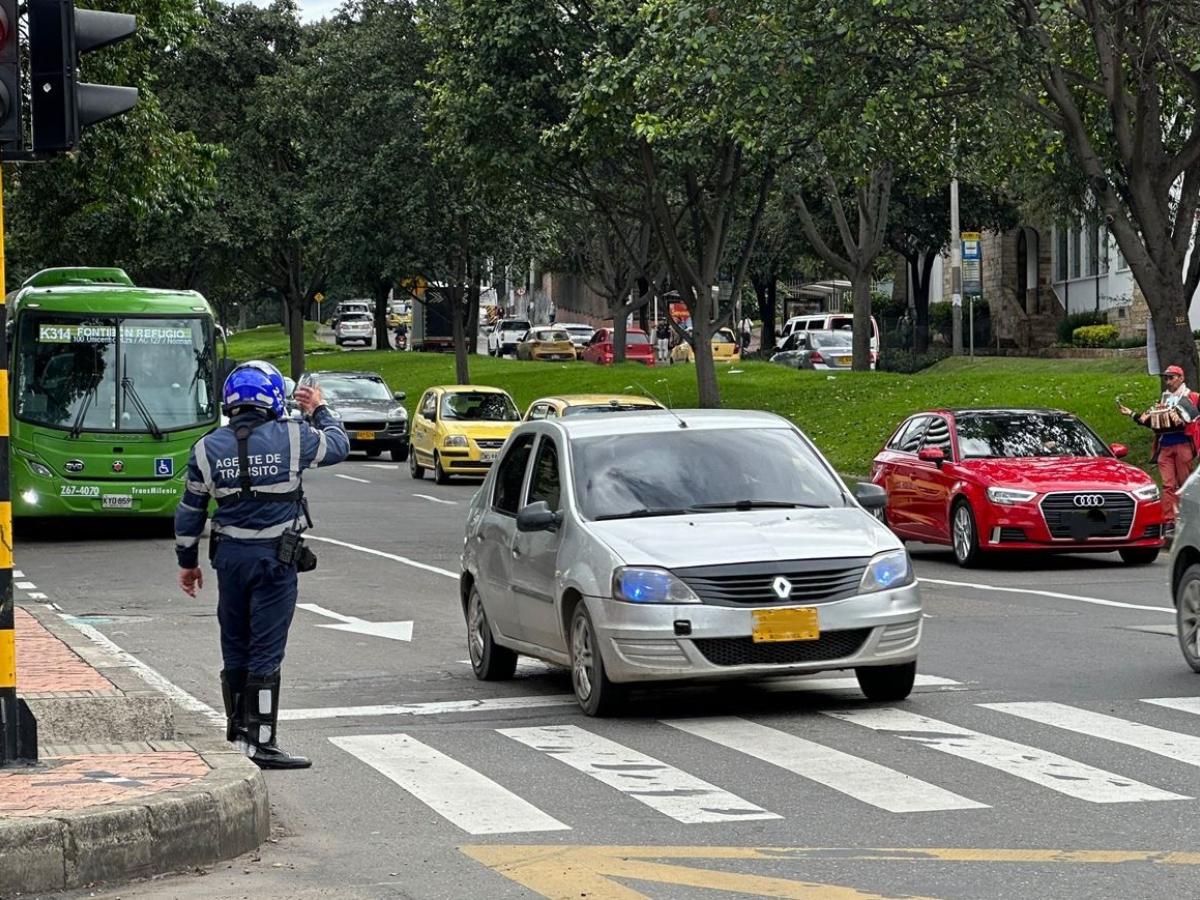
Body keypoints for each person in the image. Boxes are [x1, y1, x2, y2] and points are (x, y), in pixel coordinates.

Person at [174, 361, 349, 769]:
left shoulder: (206, 448)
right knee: (266, 650)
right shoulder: (294, 435)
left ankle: (237, 735)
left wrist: (187, 562)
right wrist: (318, 408)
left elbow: (190, 511)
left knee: (234, 644)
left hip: (230, 561)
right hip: (274, 561)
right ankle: (262, 742)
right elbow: (339, 445)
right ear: (272, 398)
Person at [1118, 364, 1200, 529]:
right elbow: (1151, 422)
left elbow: (1194, 419)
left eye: (1171, 377)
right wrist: (1132, 414)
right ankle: (1169, 520)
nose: (1168, 381)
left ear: (1181, 378)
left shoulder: (1193, 397)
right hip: (1165, 447)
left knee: (1184, 484)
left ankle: (1188, 518)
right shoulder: (1164, 399)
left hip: (1183, 445)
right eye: (1166, 378)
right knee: (1168, 485)